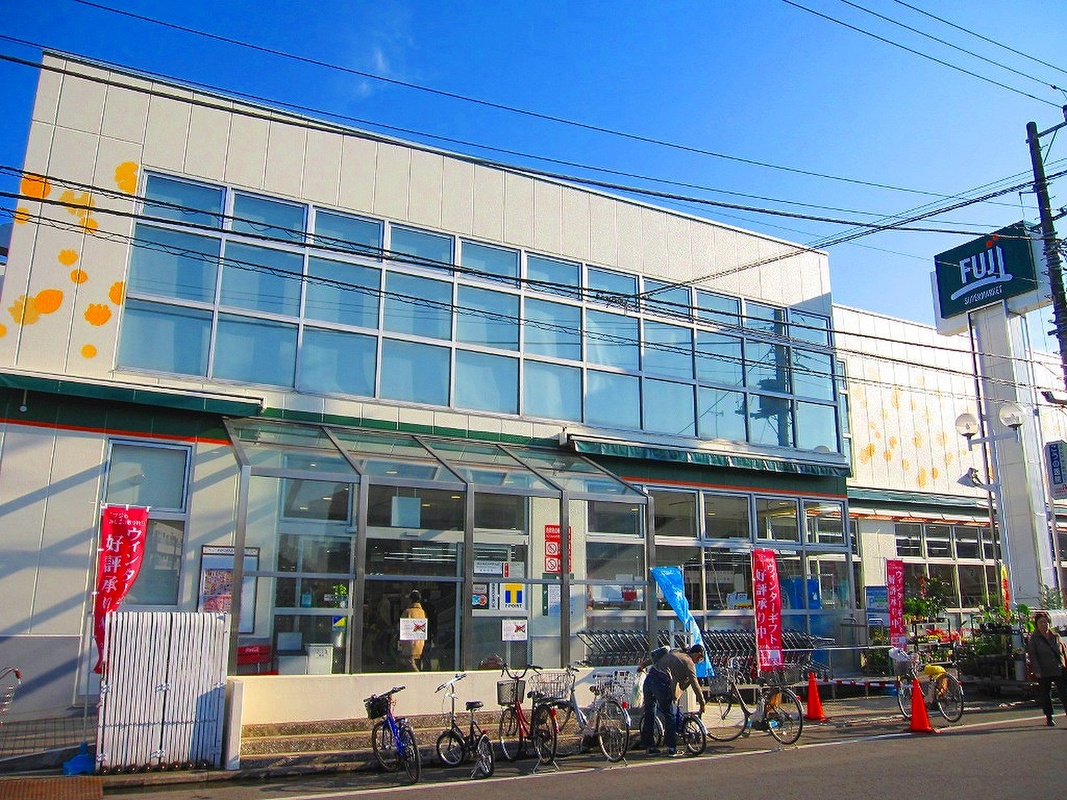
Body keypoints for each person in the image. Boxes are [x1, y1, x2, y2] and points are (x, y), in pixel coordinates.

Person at [637, 643, 707, 756]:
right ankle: (671, 748)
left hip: (649, 680)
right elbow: (695, 684)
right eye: (700, 659)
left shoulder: (675, 650)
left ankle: (650, 747)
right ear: (697, 654)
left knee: (649, 714)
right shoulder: (688, 662)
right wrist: (702, 703)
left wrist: (642, 665)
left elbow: (654, 659)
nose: (698, 662)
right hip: (661, 684)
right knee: (670, 716)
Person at [1026, 610, 1067, 727]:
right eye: (1041, 622)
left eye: (1046, 622)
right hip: (1043, 670)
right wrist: (1037, 670)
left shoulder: (1055, 636)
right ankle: (1049, 717)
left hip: (1058, 668)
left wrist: (1064, 664)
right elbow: (1033, 655)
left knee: (1064, 693)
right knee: (1046, 694)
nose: (1044, 625)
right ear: (1037, 624)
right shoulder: (1034, 639)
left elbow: (1063, 651)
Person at [399, 589, 427, 671]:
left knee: (409, 662)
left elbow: (401, 627)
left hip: (409, 644)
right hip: (420, 642)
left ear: (411, 600)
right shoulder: (422, 612)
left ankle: (419, 677)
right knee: (415, 662)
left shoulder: (408, 612)